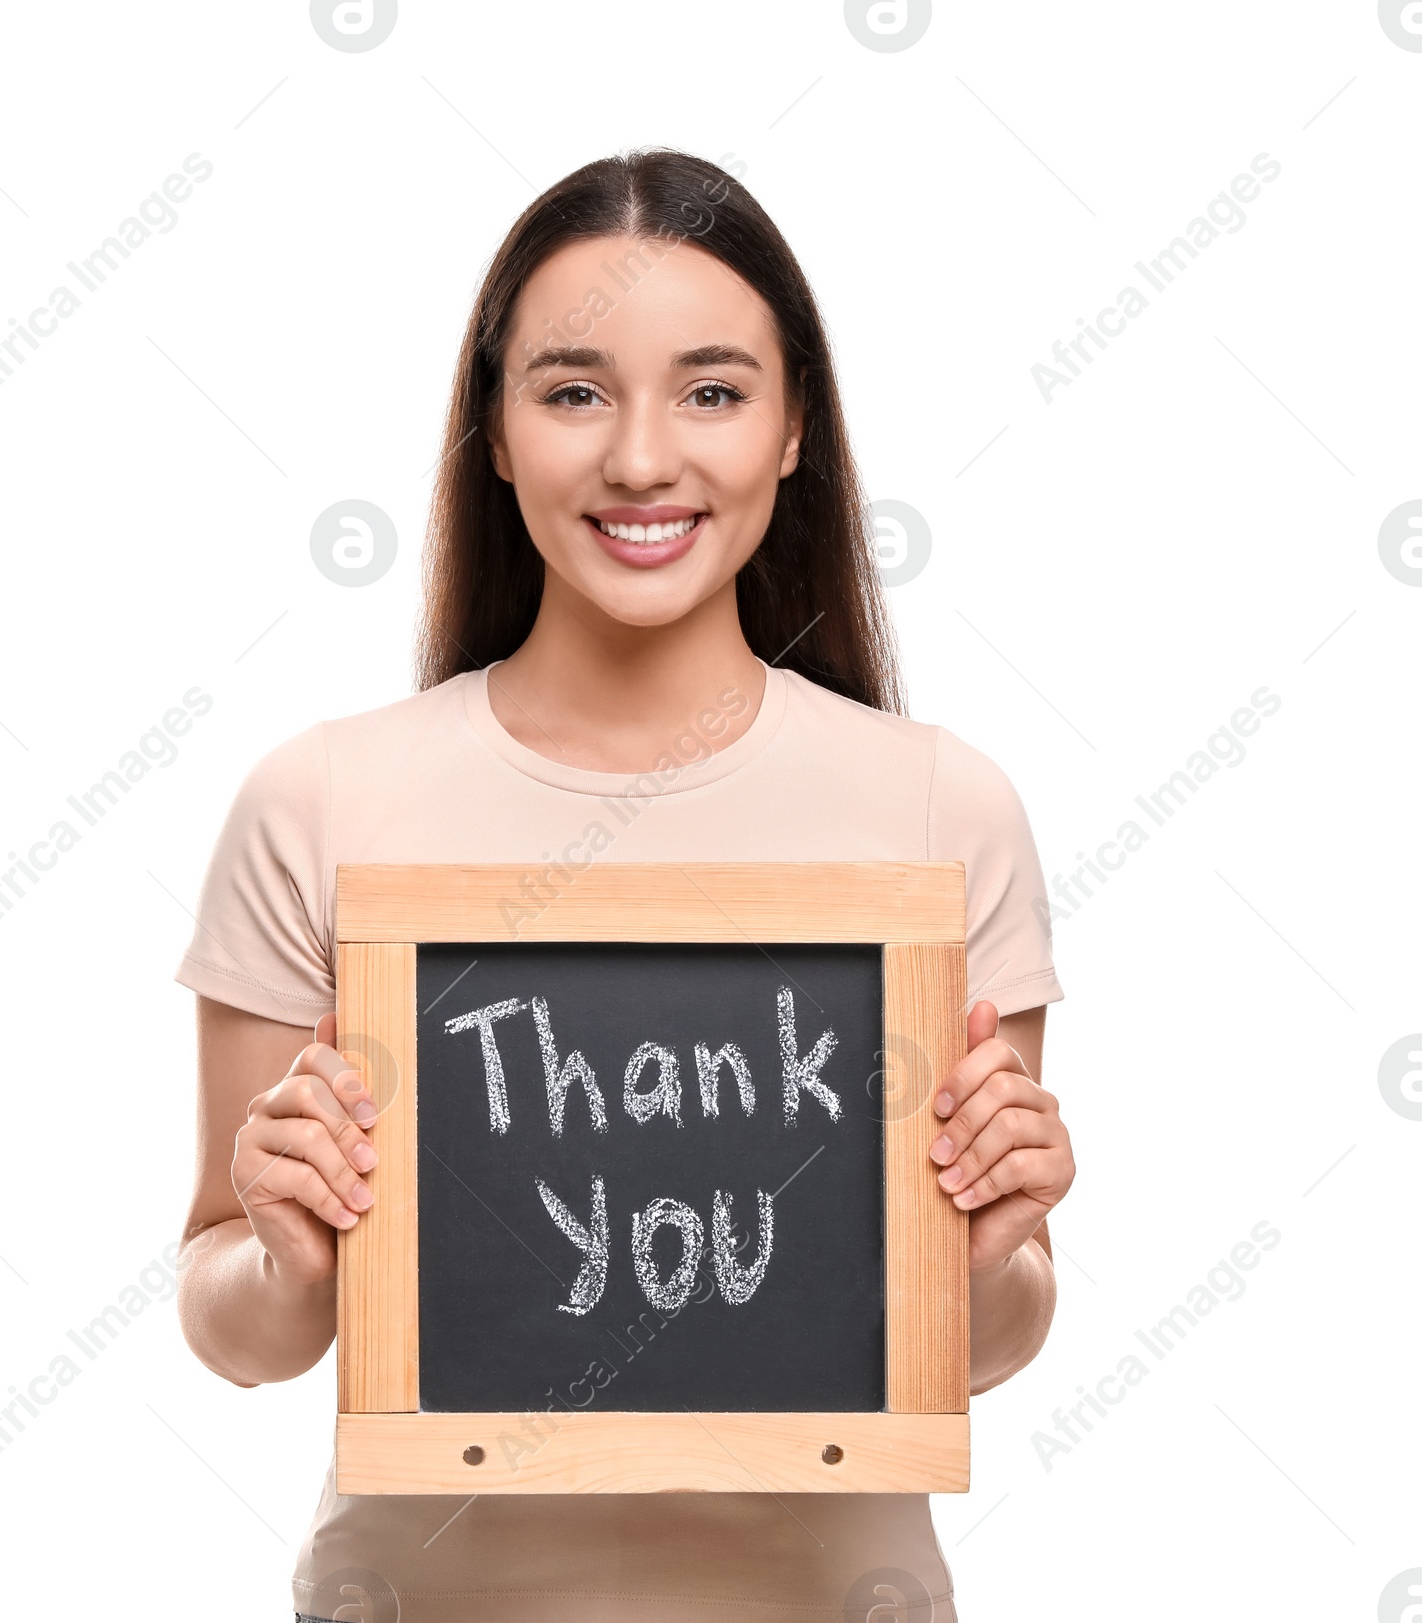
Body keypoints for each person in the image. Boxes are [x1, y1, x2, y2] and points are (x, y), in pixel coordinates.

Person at [173, 146, 1076, 1623]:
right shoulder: (318, 802)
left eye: (713, 391)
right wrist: (282, 1246)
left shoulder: (940, 808)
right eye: (575, 390)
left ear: (795, 432)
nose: (643, 459)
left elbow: (977, 1338)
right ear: (495, 430)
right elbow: (242, 1333)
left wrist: (989, 1246)